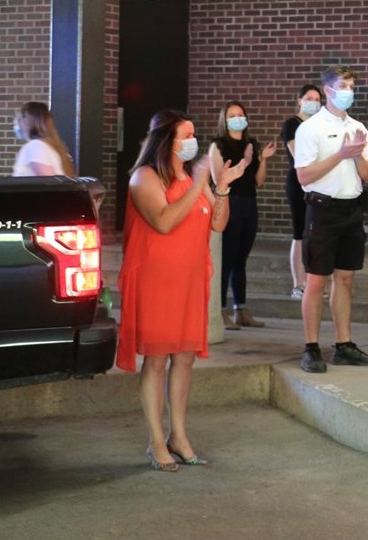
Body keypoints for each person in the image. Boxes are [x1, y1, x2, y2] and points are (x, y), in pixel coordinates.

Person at [117, 110, 249, 471]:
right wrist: (197, 185)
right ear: (166, 141)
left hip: (189, 279)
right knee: (157, 359)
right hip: (157, 280)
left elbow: (218, 223)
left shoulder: (193, 177)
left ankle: (179, 434)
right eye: (185, 135)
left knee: (185, 358)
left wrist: (221, 187)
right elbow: (163, 221)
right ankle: (156, 441)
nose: (193, 141)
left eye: (193, 134)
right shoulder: (145, 176)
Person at [292, 66, 368, 373]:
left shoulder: (358, 127)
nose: (348, 92)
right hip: (322, 210)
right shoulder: (310, 128)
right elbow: (304, 176)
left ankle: (344, 345)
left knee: (345, 279)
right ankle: (311, 348)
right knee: (316, 281)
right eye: (343, 86)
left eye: (351, 87)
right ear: (328, 91)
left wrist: (355, 155)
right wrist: (340, 154)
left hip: (351, 210)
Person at [209, 101, 277, 330]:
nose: (238, 118)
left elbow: (258, 181)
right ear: (224, 120)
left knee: (241, 258)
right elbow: (218, 179)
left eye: (241, 114)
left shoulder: (251, 144)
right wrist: (241, 165)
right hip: (230, 202)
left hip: (249, 202)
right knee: (226, 258)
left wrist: (263, 159)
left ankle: (241, 309)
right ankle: (220, 310)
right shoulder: (218, 145)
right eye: (232, 115)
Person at [279, 85, 322, 299]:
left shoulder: (319, 125)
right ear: (299, 100)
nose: (313, 102)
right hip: (298, 183)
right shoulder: (292, 125)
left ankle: (313, 284)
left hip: (319, 183)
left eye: (317, 99)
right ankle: (298, 284)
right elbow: (300, 155)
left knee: (315, 233)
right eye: (309, 98)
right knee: (300, 233)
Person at [12, 101, 75, 177]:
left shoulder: (35, 146)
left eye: (19, 119)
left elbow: (48, 182)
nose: (18, 124)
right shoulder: (48, 146)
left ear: (27, 121)